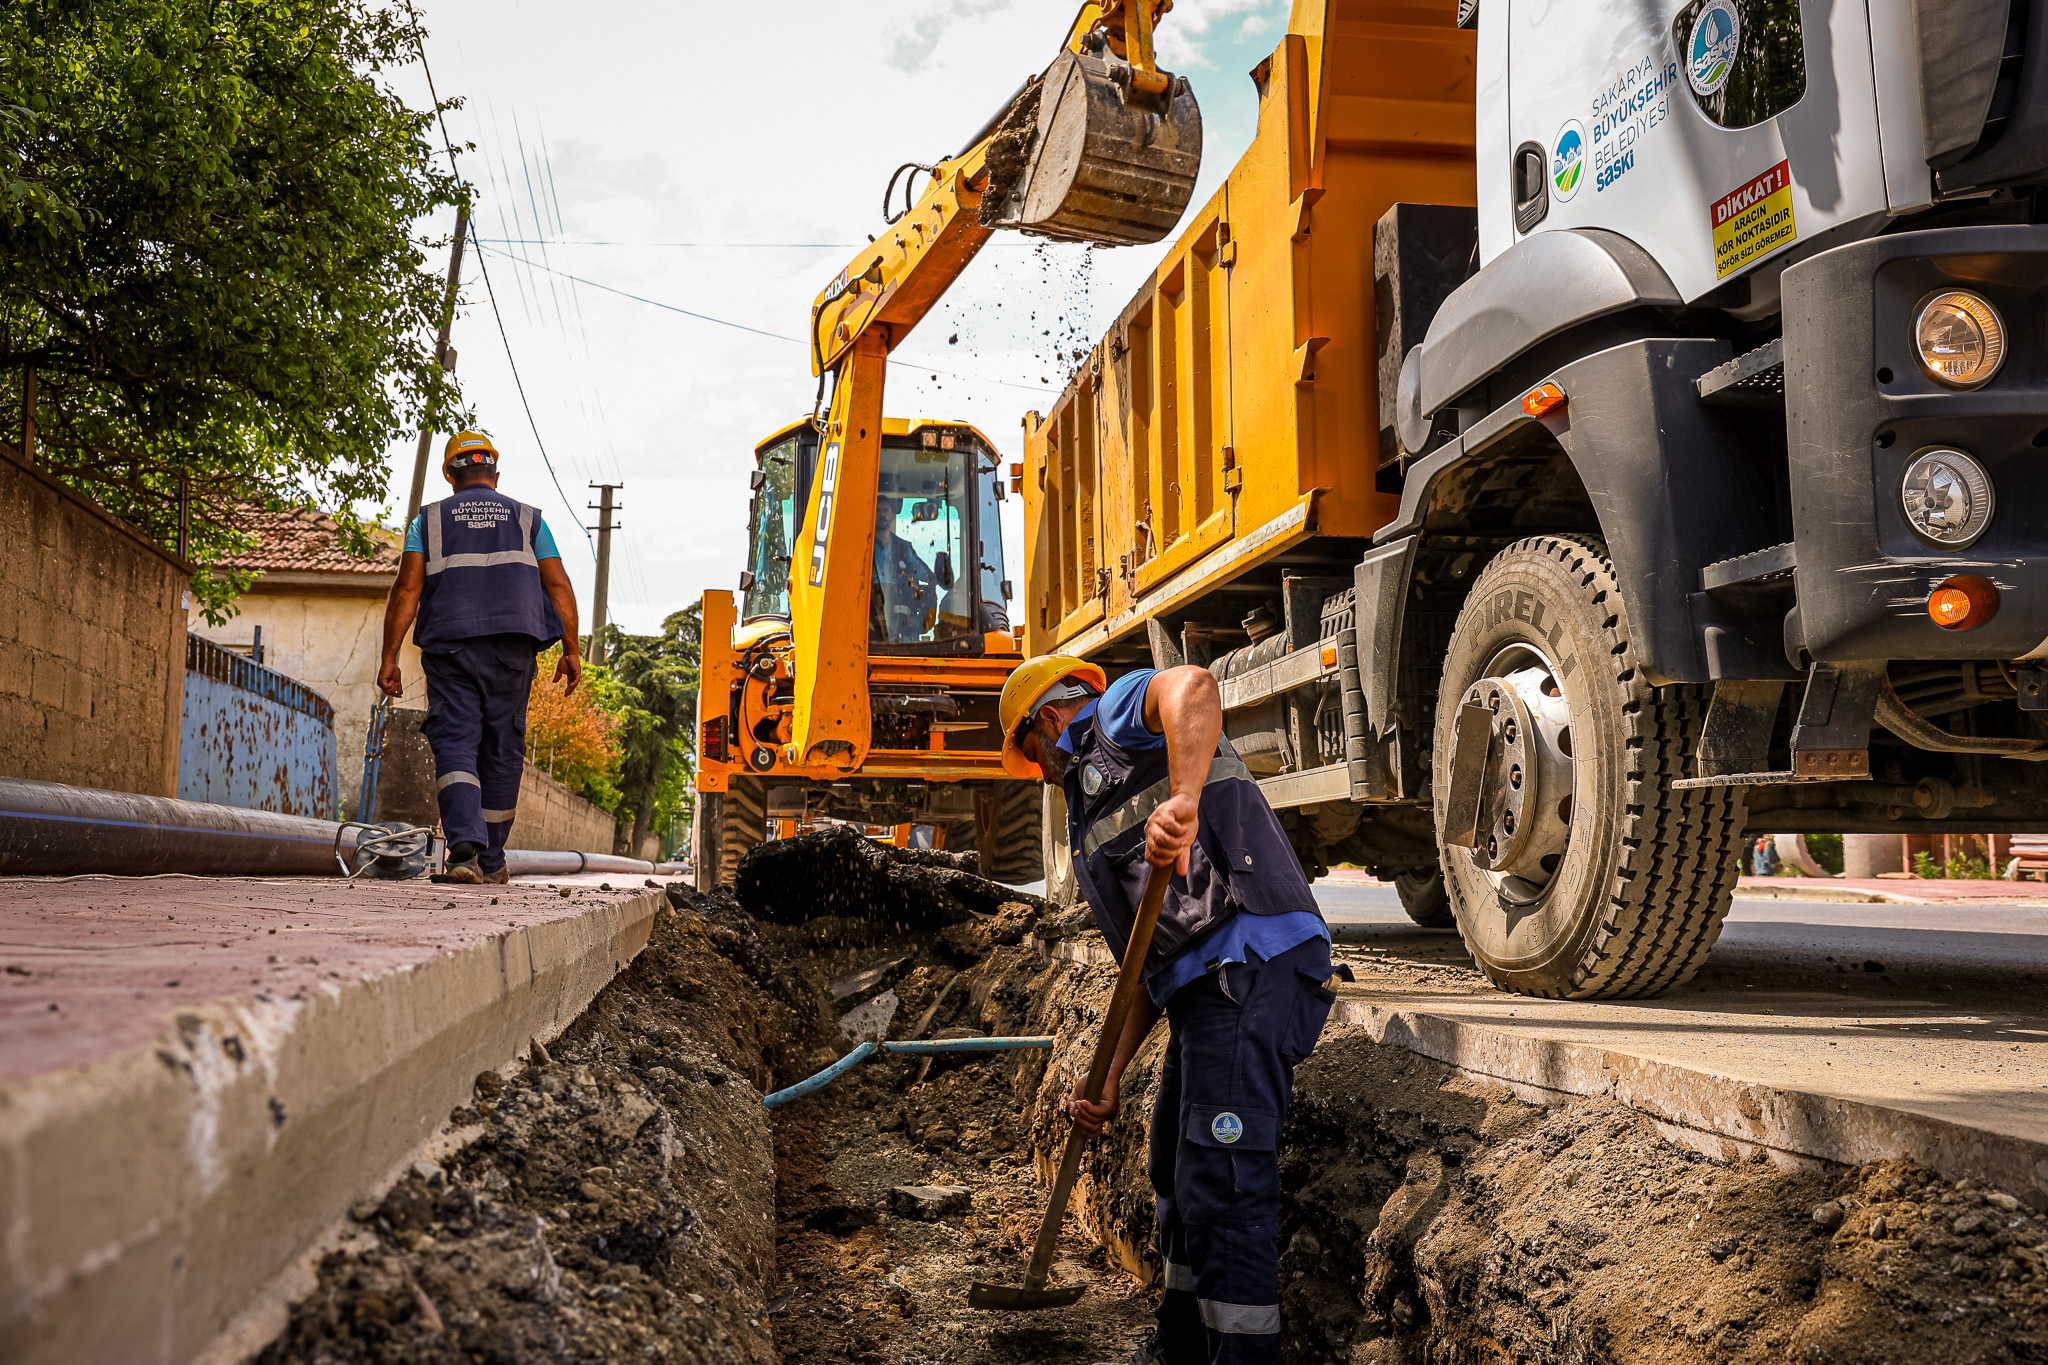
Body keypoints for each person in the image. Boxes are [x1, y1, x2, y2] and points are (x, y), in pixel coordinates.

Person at [998, 654, 1339, 1365]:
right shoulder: (1088, 822)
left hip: (1254, 961)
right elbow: (1143, 974)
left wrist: (1184, 799)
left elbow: (1195, 686)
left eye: (1031, 753)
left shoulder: (1114, 717)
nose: (1037, 772)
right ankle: (1183, 1347)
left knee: (1225, 1181)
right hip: (1200, 991)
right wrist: (1110, 1074)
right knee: (1173, 1175)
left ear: (1051, 719)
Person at [378, 431, 582, 885]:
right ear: (494, 474)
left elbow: (408, 589)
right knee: (502, 747)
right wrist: (571, 649)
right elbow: (558, 585)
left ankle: (465, 853)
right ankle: (492, 860)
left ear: (450, 474)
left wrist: (390, 656)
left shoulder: (428, 521)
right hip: (513, 646)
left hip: (451, 646)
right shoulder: (529, 520)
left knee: (455, 741)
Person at [872, 494, 934, 643]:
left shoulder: (904, 548)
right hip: (869, 613)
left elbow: (925, 575)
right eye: (878, 510)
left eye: (885, 510)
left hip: (900, 620)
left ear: (893, 515)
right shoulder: (863, 545)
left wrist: (931, 581)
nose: (882, 514)